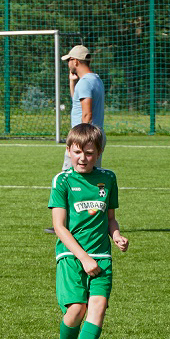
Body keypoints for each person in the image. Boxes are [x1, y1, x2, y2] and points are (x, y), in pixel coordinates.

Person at [41, 123, 129, 339]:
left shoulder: (108, 178)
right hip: (70, 256)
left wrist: (116, 235)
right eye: (77, 152)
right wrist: (83, 258)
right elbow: (59, 227)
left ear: (98, 153)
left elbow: (110, 219)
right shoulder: (62, 180)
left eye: (89, 153)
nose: (83, 158)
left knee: (98, 309)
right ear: (69, 150)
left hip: (102, 256)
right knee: (77, 309)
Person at [45, 45, 106, 234]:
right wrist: (72, 83)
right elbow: (77, 102)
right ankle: (87, 222)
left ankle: (63, 224)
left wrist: (79, 141)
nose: (68, 64)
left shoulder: (85, 83)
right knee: (88, 178)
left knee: (67, 179)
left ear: (76, 61)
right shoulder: (95, 79)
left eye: (69, 60)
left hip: (84, 138)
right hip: (95, 137)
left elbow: (86, 113)